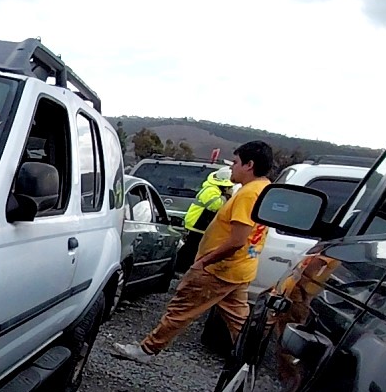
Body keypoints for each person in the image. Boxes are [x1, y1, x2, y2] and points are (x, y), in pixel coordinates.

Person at [112, 141, 274, 362]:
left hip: (219, 269)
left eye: (235, 163)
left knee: (181, 308)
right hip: (241, 269)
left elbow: (237, 240)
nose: (231, 169)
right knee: (239, 320)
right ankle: (248, 362)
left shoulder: (248, 194)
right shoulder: (265, 189)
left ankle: (147, 350)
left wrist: (205, 262)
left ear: (249, 165)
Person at [176, 167, 234, 272]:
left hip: (201, 226)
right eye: (229, 187)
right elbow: (214, 205)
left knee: (192, 248)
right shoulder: (211, 190)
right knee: (191, 249)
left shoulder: (214, 189)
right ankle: (179, 270)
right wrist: (227, 197)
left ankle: (181, 269)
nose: (231, 188)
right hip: (197, 224)